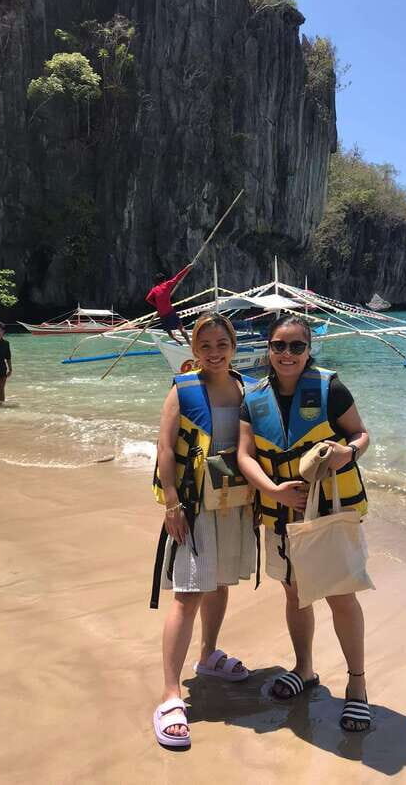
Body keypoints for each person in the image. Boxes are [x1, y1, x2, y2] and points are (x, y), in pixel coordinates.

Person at [237, 314, 373, 732]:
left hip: (328, 510)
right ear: (268, 349)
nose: (287, 354)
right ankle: (304, 669)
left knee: (340, 595)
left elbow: (361, 434)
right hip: (281, 512)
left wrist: (347, 453)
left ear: (309, 350)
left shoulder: (331, 389)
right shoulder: (253, 397)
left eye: (297, 346)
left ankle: (357, 685)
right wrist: (273, 491)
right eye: (279, 345)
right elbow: (244, 455)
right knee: (295, 594)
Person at [151, 313, 257, 749]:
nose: (214, 352)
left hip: (232, 501)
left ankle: (209, 654)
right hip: (193, 505)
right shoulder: (183, 389)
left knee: (219, 583)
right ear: (194, 350)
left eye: (222, 344)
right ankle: (170, 693)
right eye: (206, 345)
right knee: (188, 592)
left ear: (234, 346)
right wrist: (171, 503)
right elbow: (165, 447)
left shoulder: (246, 388)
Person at [145, 266, 193, 345]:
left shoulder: (154, 289)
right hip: (170, 311)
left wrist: (157, 305)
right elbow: (178, 277)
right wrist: (187, 268)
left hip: (162, 314)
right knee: (181, 328)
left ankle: (177, 341)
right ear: (164, 279)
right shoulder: (167, 284)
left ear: (157, 281)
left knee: (169, 332)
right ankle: (189, 343)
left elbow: (148, 299)